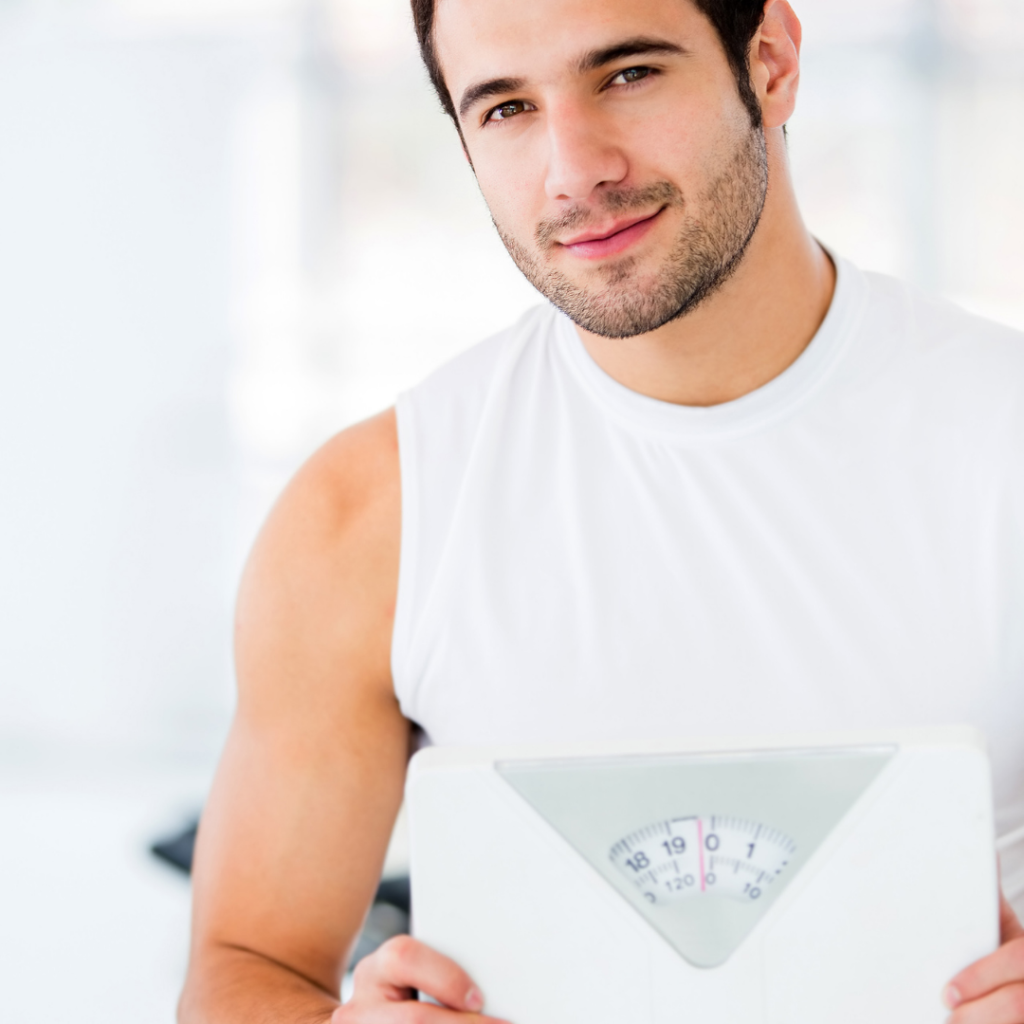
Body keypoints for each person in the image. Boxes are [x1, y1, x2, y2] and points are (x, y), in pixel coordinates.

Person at [179, 0, 1024, 1021]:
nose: (574, 169)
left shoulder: (999, 439)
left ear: (770, 62)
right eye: (504, 109)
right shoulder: (368, 517)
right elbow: (247, 966)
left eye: (627, 74)